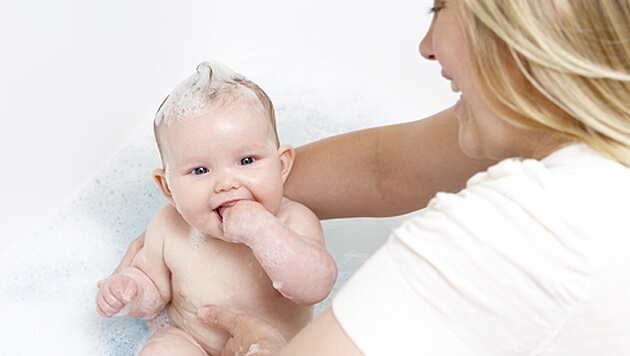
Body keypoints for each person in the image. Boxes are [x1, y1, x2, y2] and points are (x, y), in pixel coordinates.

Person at [193, 0, 630, 355]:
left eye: (438, 9)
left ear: (543, 15)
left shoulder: (528, 228)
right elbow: (383, 169)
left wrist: (265, 348)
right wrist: (208, 197)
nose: (426, 48)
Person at [95, 61, 337, 355]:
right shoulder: (168, 226)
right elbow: (154, 289)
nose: (225, 183)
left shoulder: (293, 220)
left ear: (282, 165)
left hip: (276, 347)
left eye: (246, 161)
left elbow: (315, 287)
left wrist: (262, 230)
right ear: (168, 187)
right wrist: (130, 293)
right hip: (191, 340)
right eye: (199, 170)